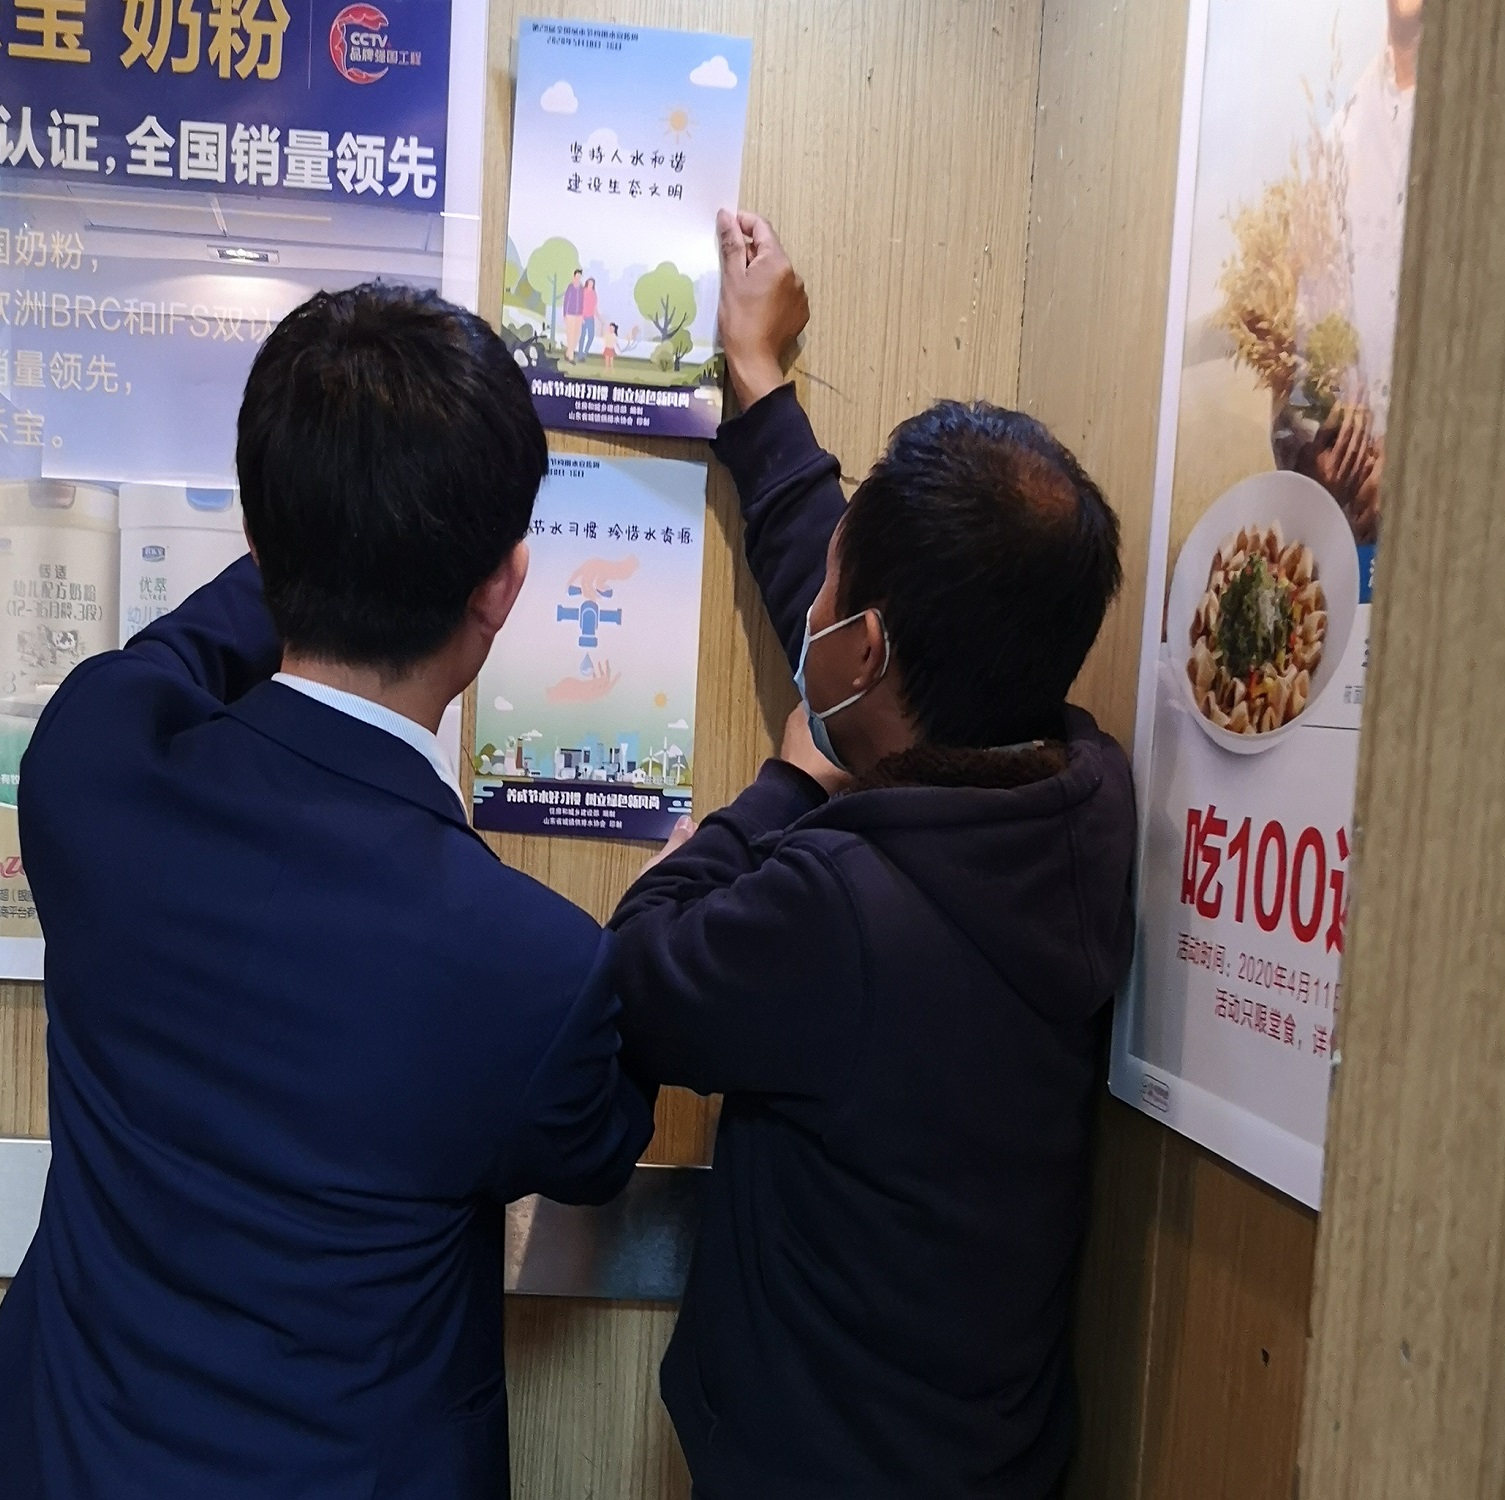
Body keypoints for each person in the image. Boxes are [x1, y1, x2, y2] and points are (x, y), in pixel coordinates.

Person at [0, 284, 654, 1500]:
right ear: (502, 585)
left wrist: (308, 527)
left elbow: (169, 657)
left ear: (259, 541)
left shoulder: (93, 766)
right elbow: (595, 1147)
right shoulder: (530, 962)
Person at [608, 210, 1136, 1500]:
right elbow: (868, 601)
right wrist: (758, 386)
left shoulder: (839, 910)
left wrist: (784, 781)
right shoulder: (1077, 798)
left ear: (866, 652)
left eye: (834, 589)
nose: (818, 591)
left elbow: (638, 974)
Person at [1276, 0, 1419, 544]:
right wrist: (1317, 454)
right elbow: (1306, 356)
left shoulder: (1500, 136)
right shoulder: (1336, 140)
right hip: (1354, 537)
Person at [563, 269, 586, 360]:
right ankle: (571, 356)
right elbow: (566, 301)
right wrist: (565, 314)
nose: (578, 278)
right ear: (574, 276)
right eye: (576, 276)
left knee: (577, 335)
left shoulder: (581, 288)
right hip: (570, 315)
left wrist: (582, 315)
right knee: (571, 335)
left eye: (579, 276)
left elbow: (583, 302)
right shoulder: (570, 287)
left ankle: (568, 352)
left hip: (579, 315)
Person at [577, 277, 600, 361]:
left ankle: (584, 353)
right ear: (587, 283)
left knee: (591, 336)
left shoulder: (594, 294)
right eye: (589, 283)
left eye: (592, 283)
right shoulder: (583, 292)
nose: (590, 285)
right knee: (582, 337)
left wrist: (600, 319)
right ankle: (580, 355)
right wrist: (581, 317)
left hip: (591, 318)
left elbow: (595, 308)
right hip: (583, 317)